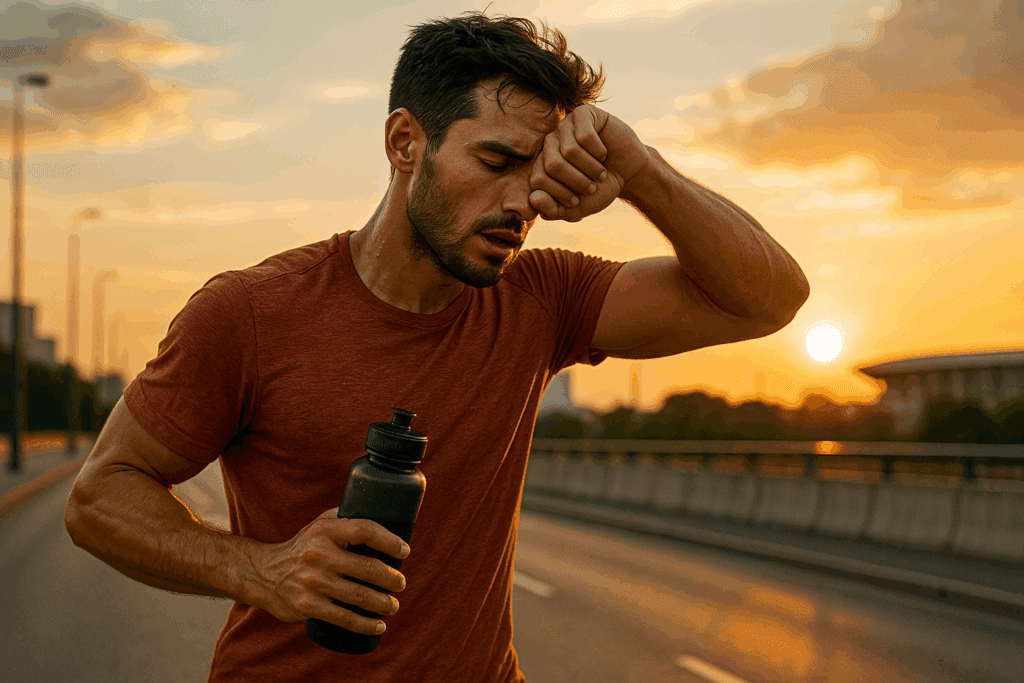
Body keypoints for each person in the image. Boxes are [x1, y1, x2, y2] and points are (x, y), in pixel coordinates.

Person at [64, 11, 810, 683]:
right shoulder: (249, 311)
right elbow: (100, 495)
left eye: (537, 173)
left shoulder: (542, 296)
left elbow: (770, 298)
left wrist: (638, 169)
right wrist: (259, 568)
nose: (524, 203)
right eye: (495, 163)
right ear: (404, 143)